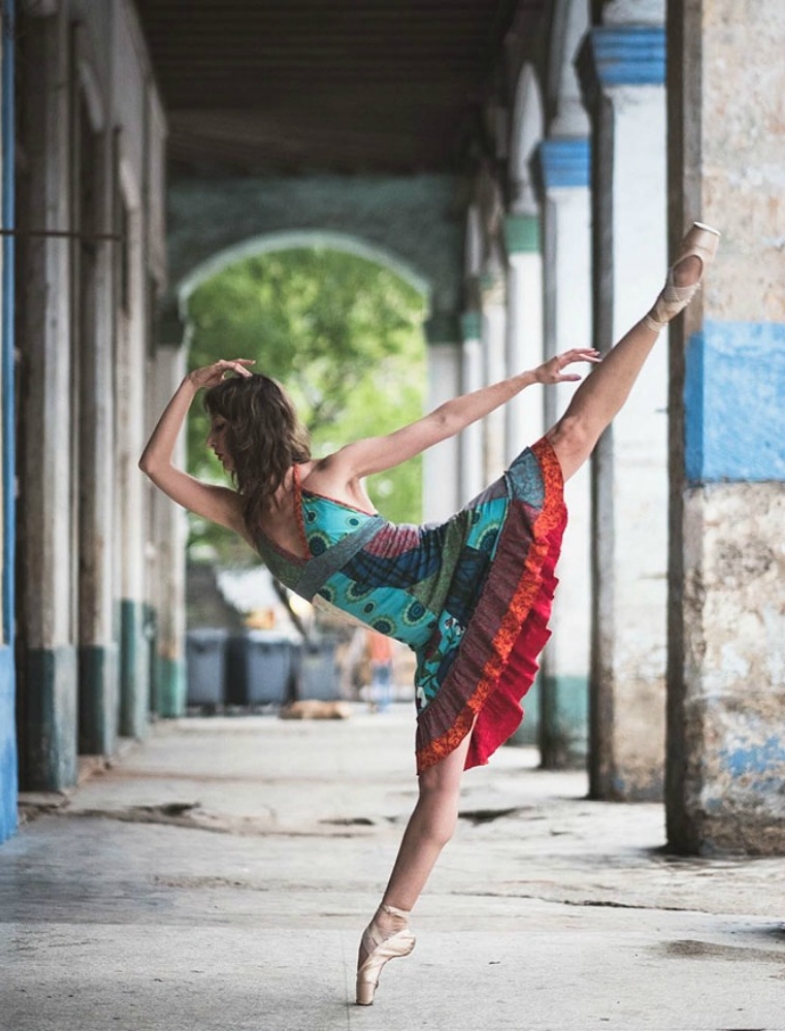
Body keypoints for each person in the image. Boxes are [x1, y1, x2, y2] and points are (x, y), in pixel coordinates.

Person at [140, 223, 719, 1005]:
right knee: (438, 789)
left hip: (457, 558)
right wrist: (189, 382)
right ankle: (385, 928)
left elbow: (442, 421)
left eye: (214, 427)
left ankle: (660, 310)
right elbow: (153, 464)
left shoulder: (323, 477)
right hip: (439, 632)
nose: (209, 442)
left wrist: (530, 377)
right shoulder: (251, 511)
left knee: (568, 437)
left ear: (239, 432)